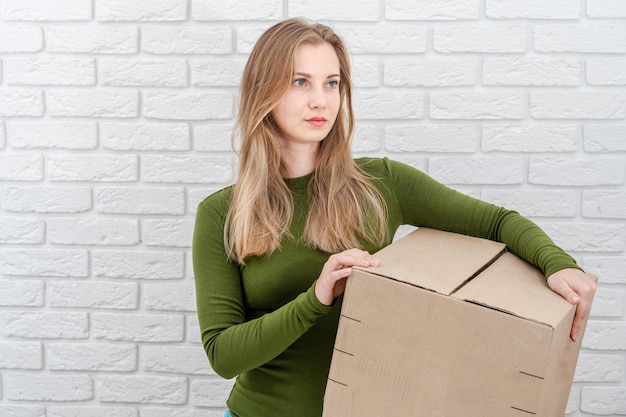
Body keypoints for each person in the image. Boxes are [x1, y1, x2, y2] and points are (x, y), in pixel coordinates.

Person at [192, 18, 597, 417]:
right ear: (264, 90)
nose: (321, 100)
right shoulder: (221, 214)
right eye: (301, 82)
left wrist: (557, 263)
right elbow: (223, 356)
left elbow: (497, 223)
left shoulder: (382, 183)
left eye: (331, 83)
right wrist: (316, 297)